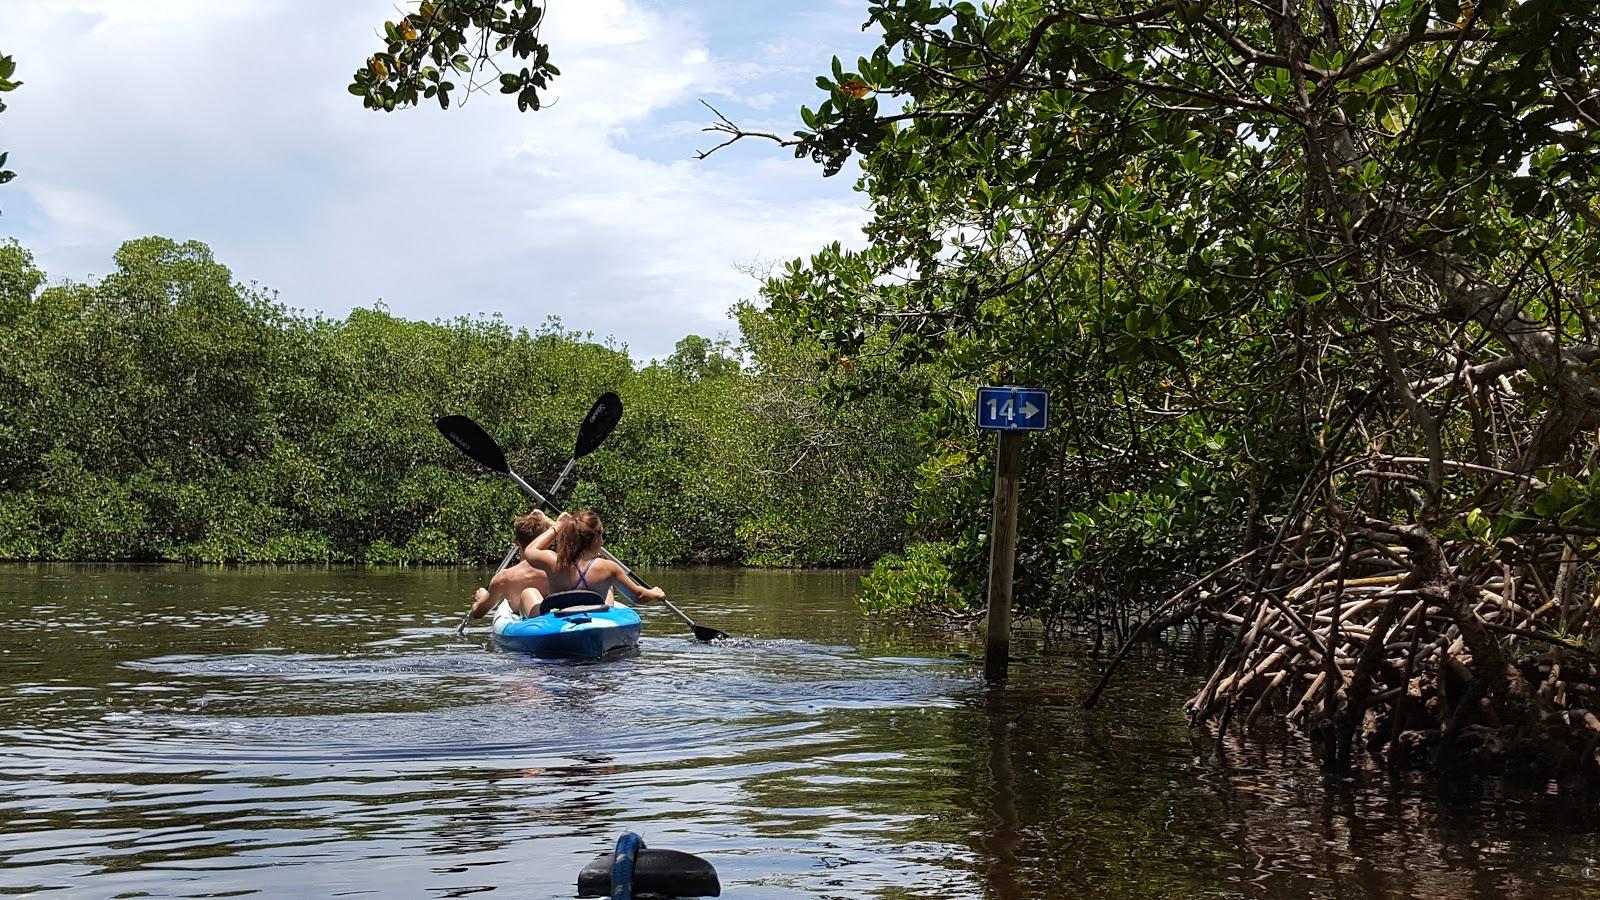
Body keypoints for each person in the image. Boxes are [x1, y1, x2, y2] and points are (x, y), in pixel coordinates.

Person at [469, 510, 614, 619]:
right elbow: (578, 539)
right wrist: (554, 524)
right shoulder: (564, 566)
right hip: (568, 617)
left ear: (516, 541)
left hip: (543, 627)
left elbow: (477, 613)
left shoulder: (504, 578)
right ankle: (608, 617)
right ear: (547, 536)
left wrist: (482, 598)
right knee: (609, 588)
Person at [519, 509, 666, 613]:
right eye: (601, 535)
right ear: (596, 538)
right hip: (595, 619)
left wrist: (557, 526)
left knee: (528, 593)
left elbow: (530, 550)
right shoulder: (608, 568)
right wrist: (654, 593)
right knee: (609, 588)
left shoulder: (554, 562)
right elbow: (638, 596)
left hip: (560, 619)